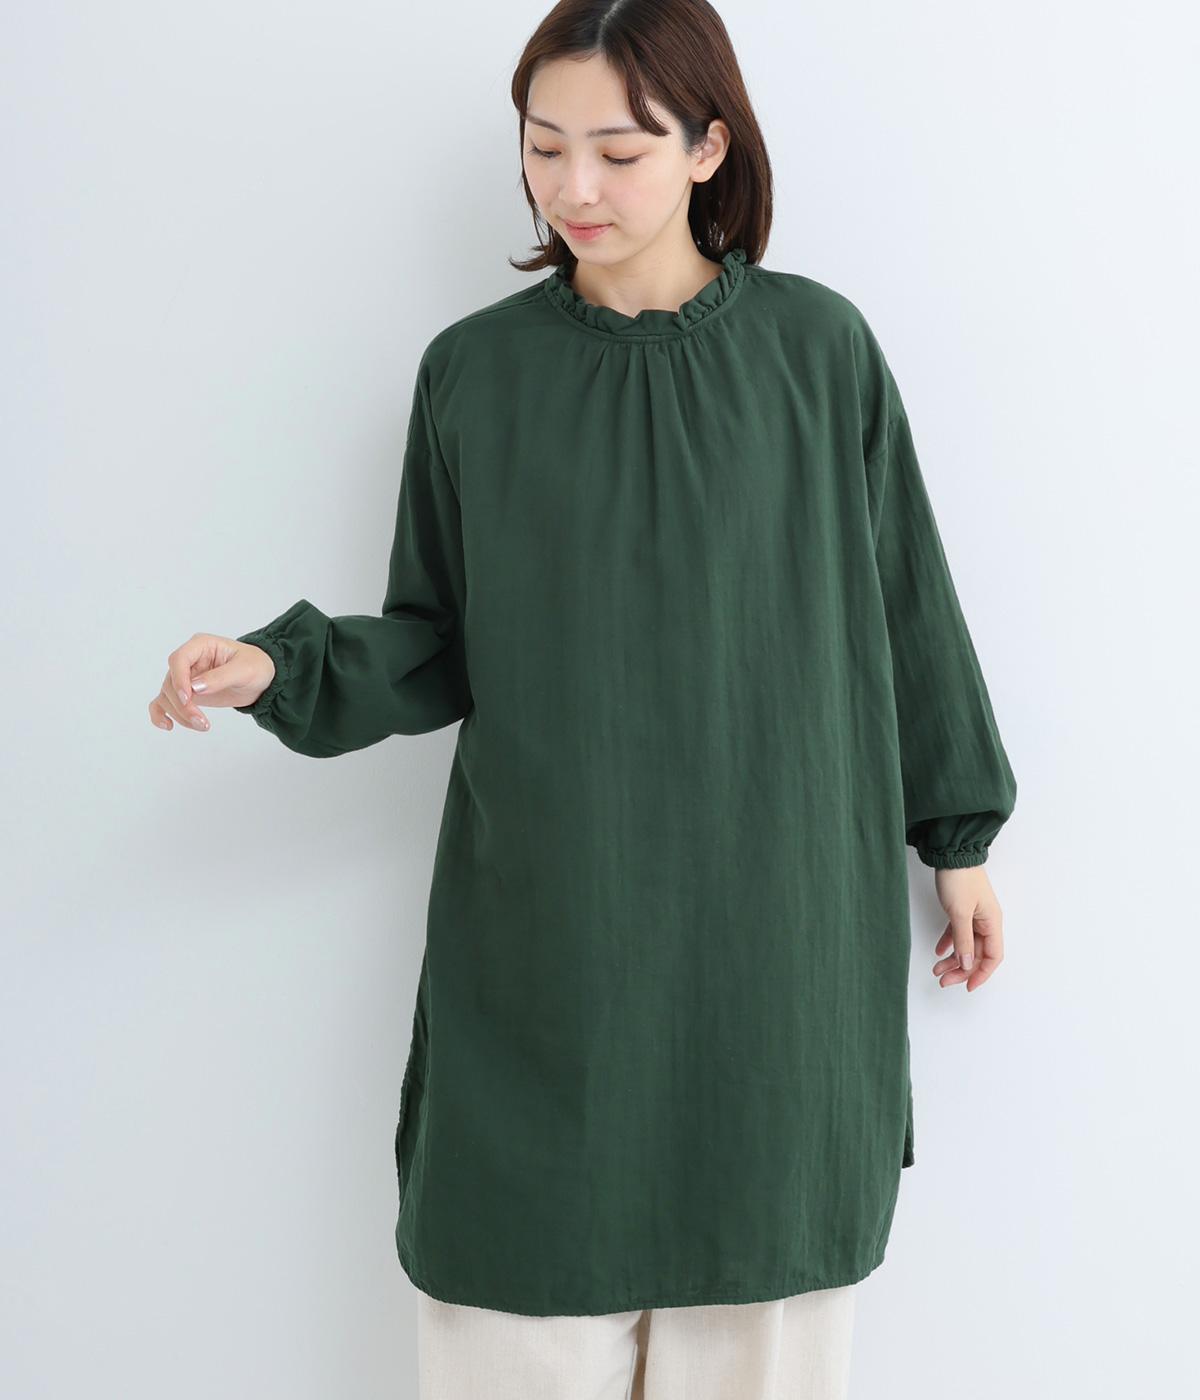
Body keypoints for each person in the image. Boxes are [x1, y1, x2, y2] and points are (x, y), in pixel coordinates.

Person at [148, 2, 1017, 1395]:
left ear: (708, 148)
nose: (573, 187)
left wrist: (957, 838)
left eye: (618, 150)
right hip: (547, 960)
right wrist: (281, 668)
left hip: (776, 962)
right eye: (543, 146)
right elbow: (436, 641)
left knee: (762, 1310)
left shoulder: (820, 352)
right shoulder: (474, 373)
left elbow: (907, 600)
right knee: (510, 1305)